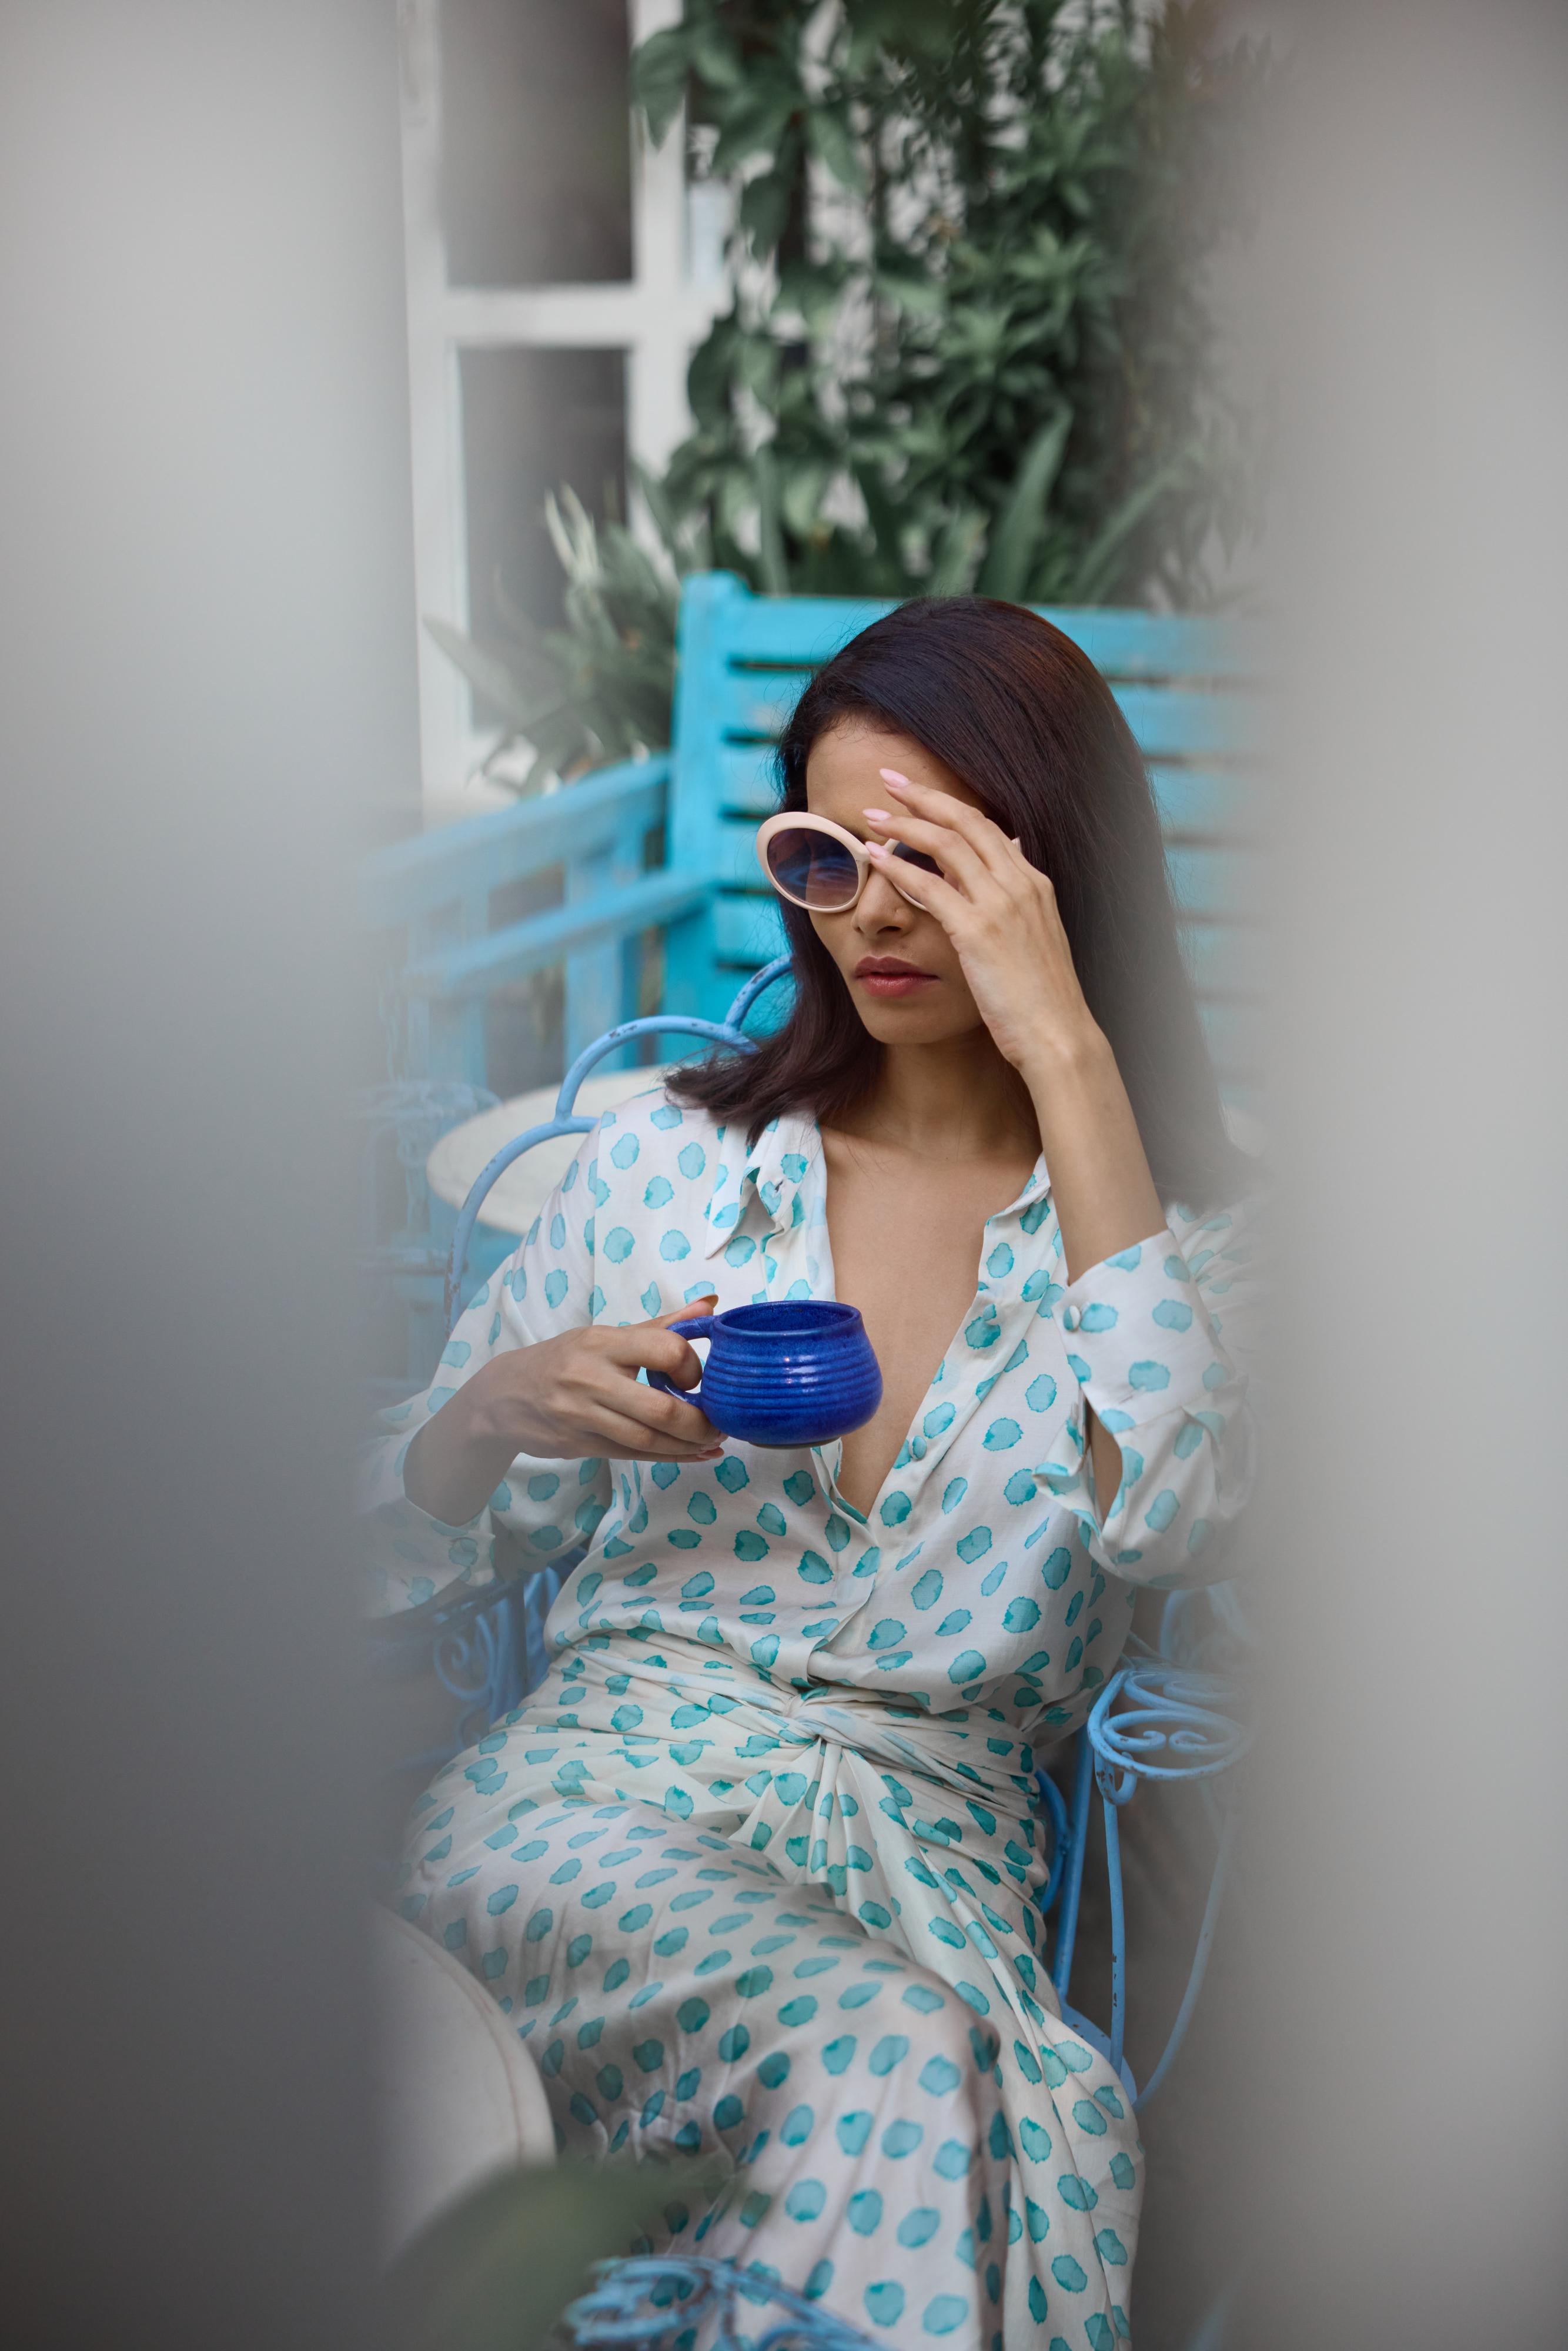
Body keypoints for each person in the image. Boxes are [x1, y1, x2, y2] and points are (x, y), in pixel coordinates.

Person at [363, 597, 1259, 2349]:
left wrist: (1071, 1056)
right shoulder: (666, 1170)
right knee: (892, 2053)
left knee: (1035, 2120)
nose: (875, 914)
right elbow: (403, 1552)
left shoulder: (1193, 1260)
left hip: (933, 1864)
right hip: (590, 1820)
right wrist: (487, 1415)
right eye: (829, 858)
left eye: (936, 862)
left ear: (1053, 876)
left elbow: (1173, 1511)